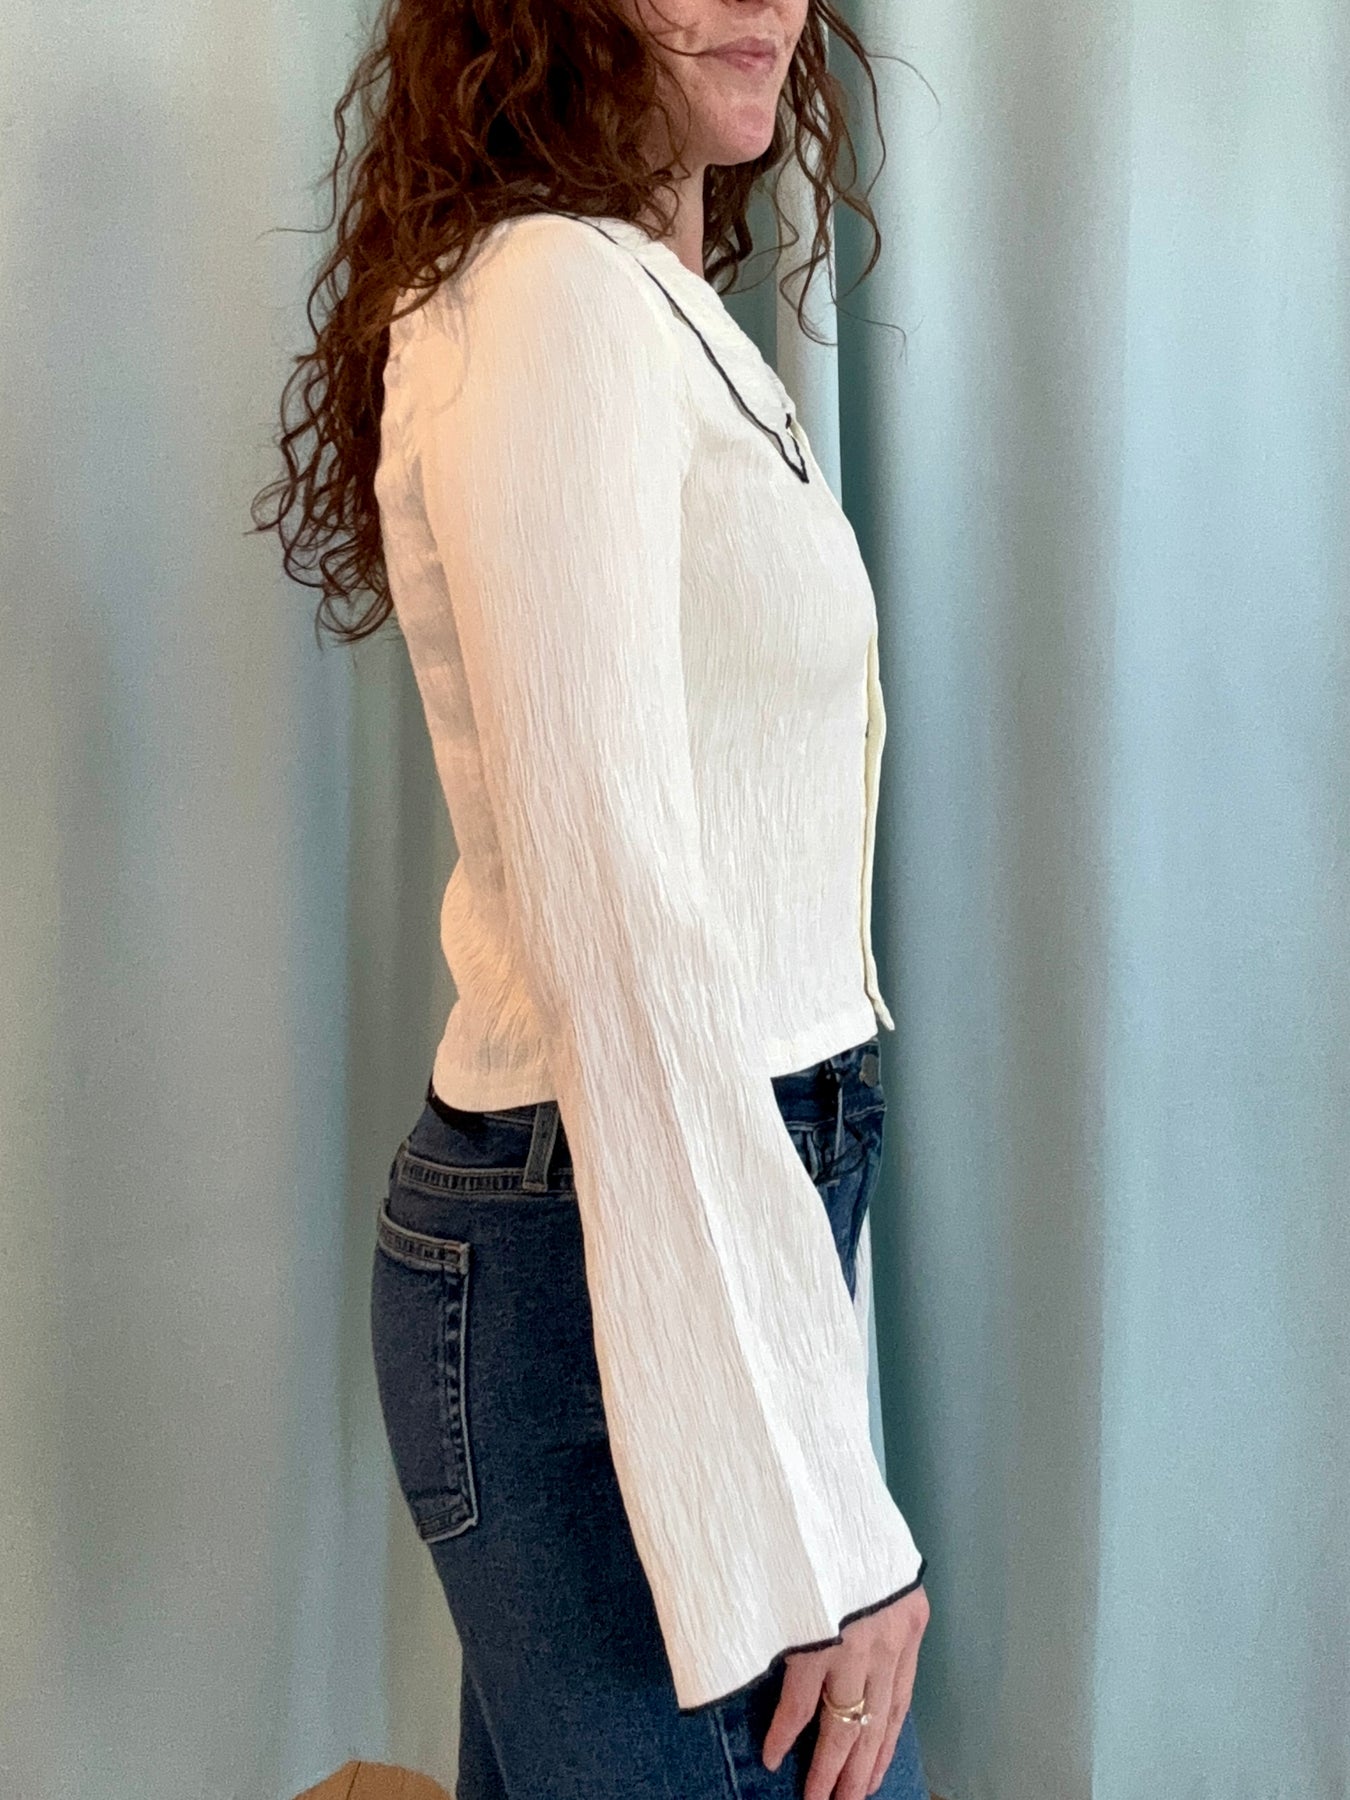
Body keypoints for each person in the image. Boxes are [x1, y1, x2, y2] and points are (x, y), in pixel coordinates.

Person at [268, 0, 931, 1792]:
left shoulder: (639, 307)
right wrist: (817, 1527)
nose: (763, 4)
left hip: (667, 1205)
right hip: (600, 1239)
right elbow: (621, 938)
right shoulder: (548, 304)